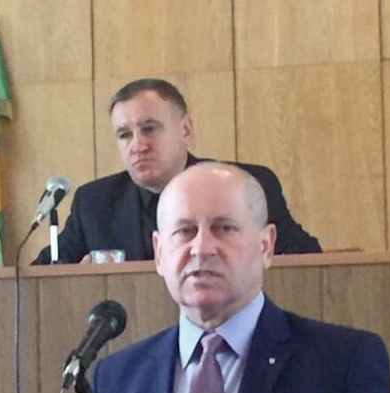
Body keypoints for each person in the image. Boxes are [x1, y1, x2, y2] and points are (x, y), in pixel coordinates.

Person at [92, 162, 390, 393]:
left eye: (224, 228)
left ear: (266, 246)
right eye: (184, 231)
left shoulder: (342, 363)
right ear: (159, 253)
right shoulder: (116, 378)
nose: (201, 248)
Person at [33, 78, 321, 264]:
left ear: (186, 130)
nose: (137, 146)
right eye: (124, 135)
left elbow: (305, 261)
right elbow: (45, 276)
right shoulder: (96, 203)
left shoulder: (243, 186)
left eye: (149, 129)